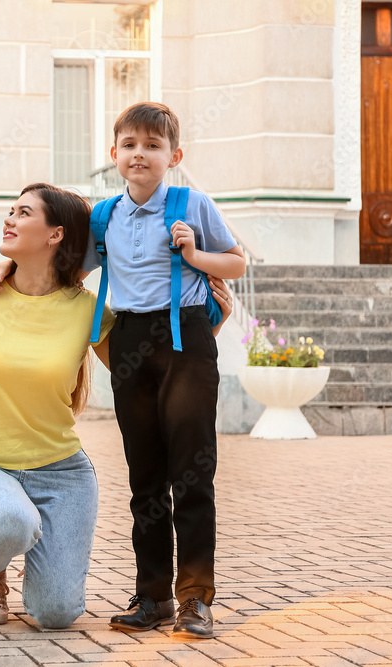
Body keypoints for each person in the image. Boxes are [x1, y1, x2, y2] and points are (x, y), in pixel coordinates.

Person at [0, 183, 234, 631]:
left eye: (23, 213)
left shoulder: (88, 309)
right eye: (11, 210)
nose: (8, 219)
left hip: (60, 472)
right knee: (8, 522)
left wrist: (205, 335)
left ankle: (33, 546)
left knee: (56, 615)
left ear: (55, 235)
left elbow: (139, 373)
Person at [82, 102, 246, 640]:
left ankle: (195, 599)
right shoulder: (103, 215)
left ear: (173, 156)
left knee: (192, 474)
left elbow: (236, 262)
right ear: (114, 154)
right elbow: (68, 267)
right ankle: (151, 595)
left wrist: (196, 256)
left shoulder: (190, 202)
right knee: (144, 476)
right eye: (129, 144)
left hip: (185, 339)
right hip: (130, 340)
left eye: (152, 146)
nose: (139, 154)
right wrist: (7, 266)